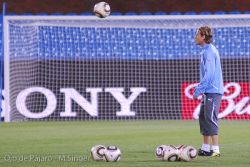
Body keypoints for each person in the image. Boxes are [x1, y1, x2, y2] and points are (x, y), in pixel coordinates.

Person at [193, 26, 224, 157]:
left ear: (203, 37)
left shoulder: (209, 51)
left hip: (213, 90)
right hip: (209, 91)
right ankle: (205, 148)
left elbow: (210, 74)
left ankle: (216, 150)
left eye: (197, 34)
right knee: (203, 117)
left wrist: (198, 89)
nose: (195, 37)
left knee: (210, 118)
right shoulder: (206, 50)